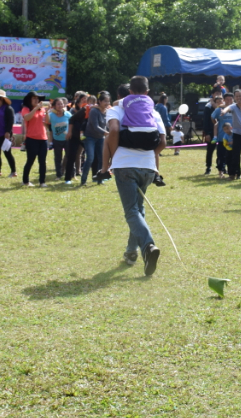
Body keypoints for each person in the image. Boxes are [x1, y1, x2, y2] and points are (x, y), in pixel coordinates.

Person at [103, 75, 166, 275]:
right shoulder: (152, 111)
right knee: (138, 209)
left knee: (131, 211)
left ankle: (148, 245)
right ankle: (132, 252)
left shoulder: (115, 109)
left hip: (125, 166)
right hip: (148, 167)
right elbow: (163, 141)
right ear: (147, 92)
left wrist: (113, 157)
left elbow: (113, 130)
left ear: (129, 92)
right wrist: (151, 156)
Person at [20, 91, 49, 187]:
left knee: (42, 161)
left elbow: (47, 121)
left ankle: (42, 182)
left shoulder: (42, 109)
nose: (36, 100)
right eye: (34, 98)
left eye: (37, 98)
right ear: (29, 100)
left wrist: (47, 112)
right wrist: (36, 108)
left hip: (43, 138)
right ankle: (25, 181)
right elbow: (27, 118)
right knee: (30, 160)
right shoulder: (26, 109)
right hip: (31, 138)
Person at [82, 91, 110, 185]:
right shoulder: (94, 111)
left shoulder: (107, 111)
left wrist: (110, 132)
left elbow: (107, 125)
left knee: (102, 159)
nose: (107, 103)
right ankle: (83, 180)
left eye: (108, 101)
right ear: (100, 101)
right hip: (90, 137)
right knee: (90, 158)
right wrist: (106, 133)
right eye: (105, 101)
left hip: (101, 138)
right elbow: (95, 126)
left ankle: (99, 180)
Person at [63, 91, 88, 185]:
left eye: (86, 99)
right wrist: (69, 132)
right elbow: (71, 119)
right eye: (83, 99)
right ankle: (67, 178)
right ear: (79, 101)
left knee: (89, 155)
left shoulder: (90, 110)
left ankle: (84, 174)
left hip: (85, 136)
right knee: (71, 156)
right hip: (74, 136)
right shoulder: (74, 110)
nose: (85, 101)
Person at [48, 98, 71, 179]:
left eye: (61, 104)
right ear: (54, 105)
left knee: (69, 156)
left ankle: (70, 173)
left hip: (67, 139)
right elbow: (45, 122)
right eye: (58, 104)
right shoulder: (51, 115)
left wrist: (70, 133)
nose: (60, 105)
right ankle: (59, 174)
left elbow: (72, 124)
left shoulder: (68, 114)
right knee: (58, 158)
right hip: (57, 140)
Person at [211, 94, 233, 178]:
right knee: (221, 155)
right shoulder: (219, 109)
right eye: (227, 99)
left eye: (230, 99)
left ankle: (233, 172)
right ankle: (221, 172)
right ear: (224, 100)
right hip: (221, 137)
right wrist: (216, 124)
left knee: (232, 156)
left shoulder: (235, 108)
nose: (229, 101)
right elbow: (212, 117)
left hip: (233, 137)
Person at [203, 86, 223, 175]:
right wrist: (207, 133)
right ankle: (208, 167)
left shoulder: (224, 106)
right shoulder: (208, 106)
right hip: (211, 131)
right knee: (210, 150)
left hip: (221, 131)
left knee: (221, 151)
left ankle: (221, 167)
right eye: (217, 93)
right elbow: (206, 121)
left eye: (220, 93)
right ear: (212, 95)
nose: (218, 95)